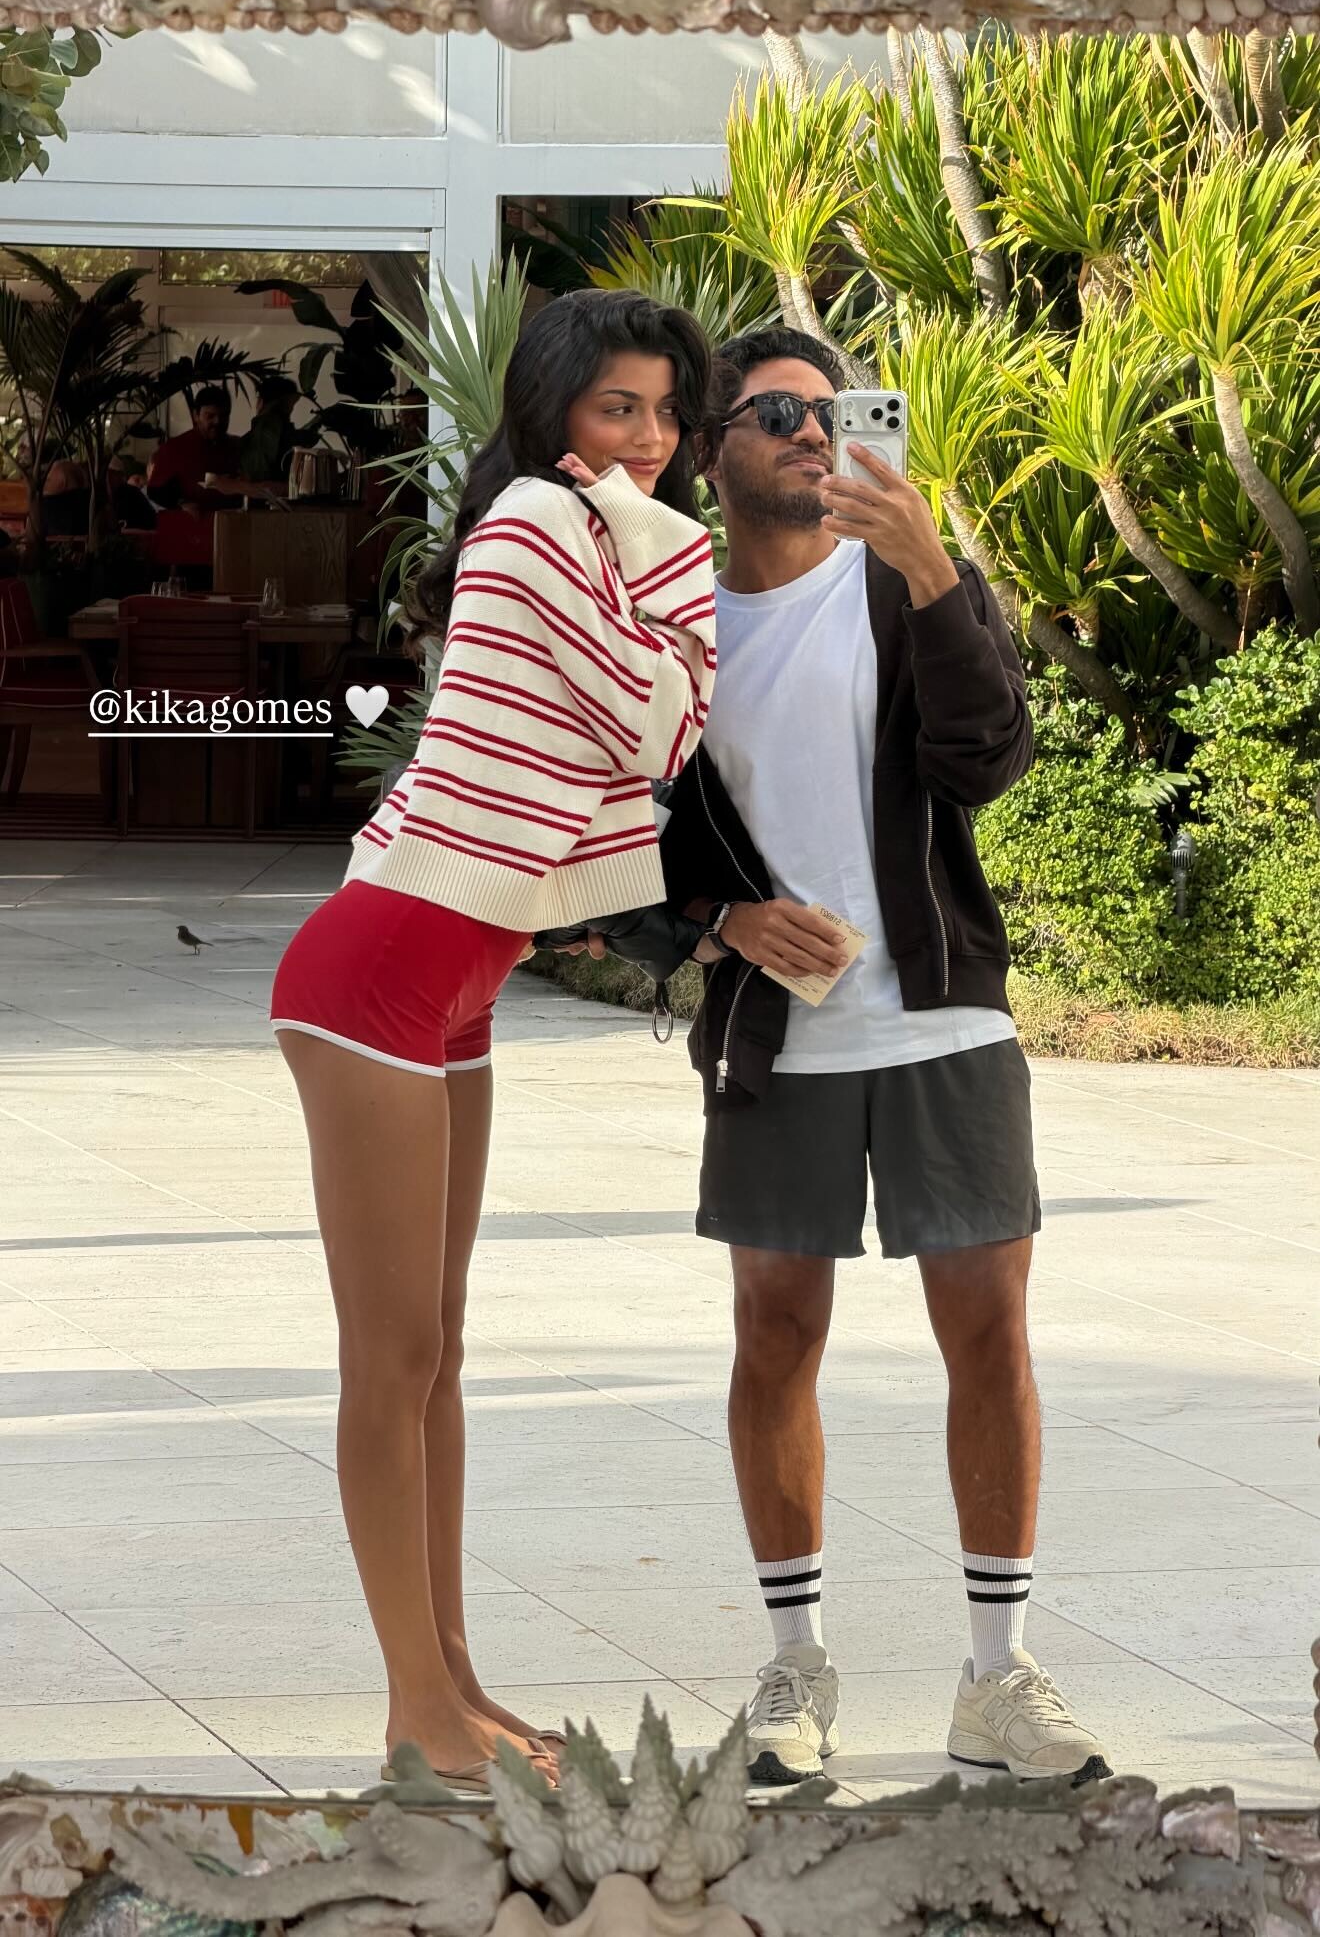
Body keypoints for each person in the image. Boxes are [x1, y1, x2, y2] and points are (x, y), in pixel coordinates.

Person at [268, 290, 716, 1793]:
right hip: (378, 974)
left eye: (666, 413)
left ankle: (455, 1681)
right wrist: (657, 562)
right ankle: (415, 1707)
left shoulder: (594, 536)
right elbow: (657, 721)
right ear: (552, 414)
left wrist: (654, 589)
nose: (649, 440)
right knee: (390, 1355)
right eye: (616, 409)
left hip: (454, 985)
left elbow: (677, 704)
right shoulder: (534, 522)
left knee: (439, 1351)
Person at [657, 326, 1108, 1789]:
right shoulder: (674, 621)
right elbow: (628, 823)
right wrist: (724, 915)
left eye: (829, 409)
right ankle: (794, 1668)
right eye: (775, 412)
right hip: (775, 1029)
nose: (810, 431)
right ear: (712, 447)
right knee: (775, 1334)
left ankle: (998, 1674)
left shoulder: (901, 583)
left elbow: (988, 758)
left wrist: (929, 568)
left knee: (988, 1328)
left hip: (942, 1010)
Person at [147, 385, 242, 508]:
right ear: (196, 415)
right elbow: (155, 491)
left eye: (223, 416)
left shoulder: (237, 446)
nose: (217, 421)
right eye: (210, 416)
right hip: (192, 518)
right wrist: (182, 503)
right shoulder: (175, 448)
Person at [237, 373, 301, 486]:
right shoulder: (268, 428)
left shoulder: (265, 429)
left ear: (260, 401)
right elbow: (258, 473)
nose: (291, 409)